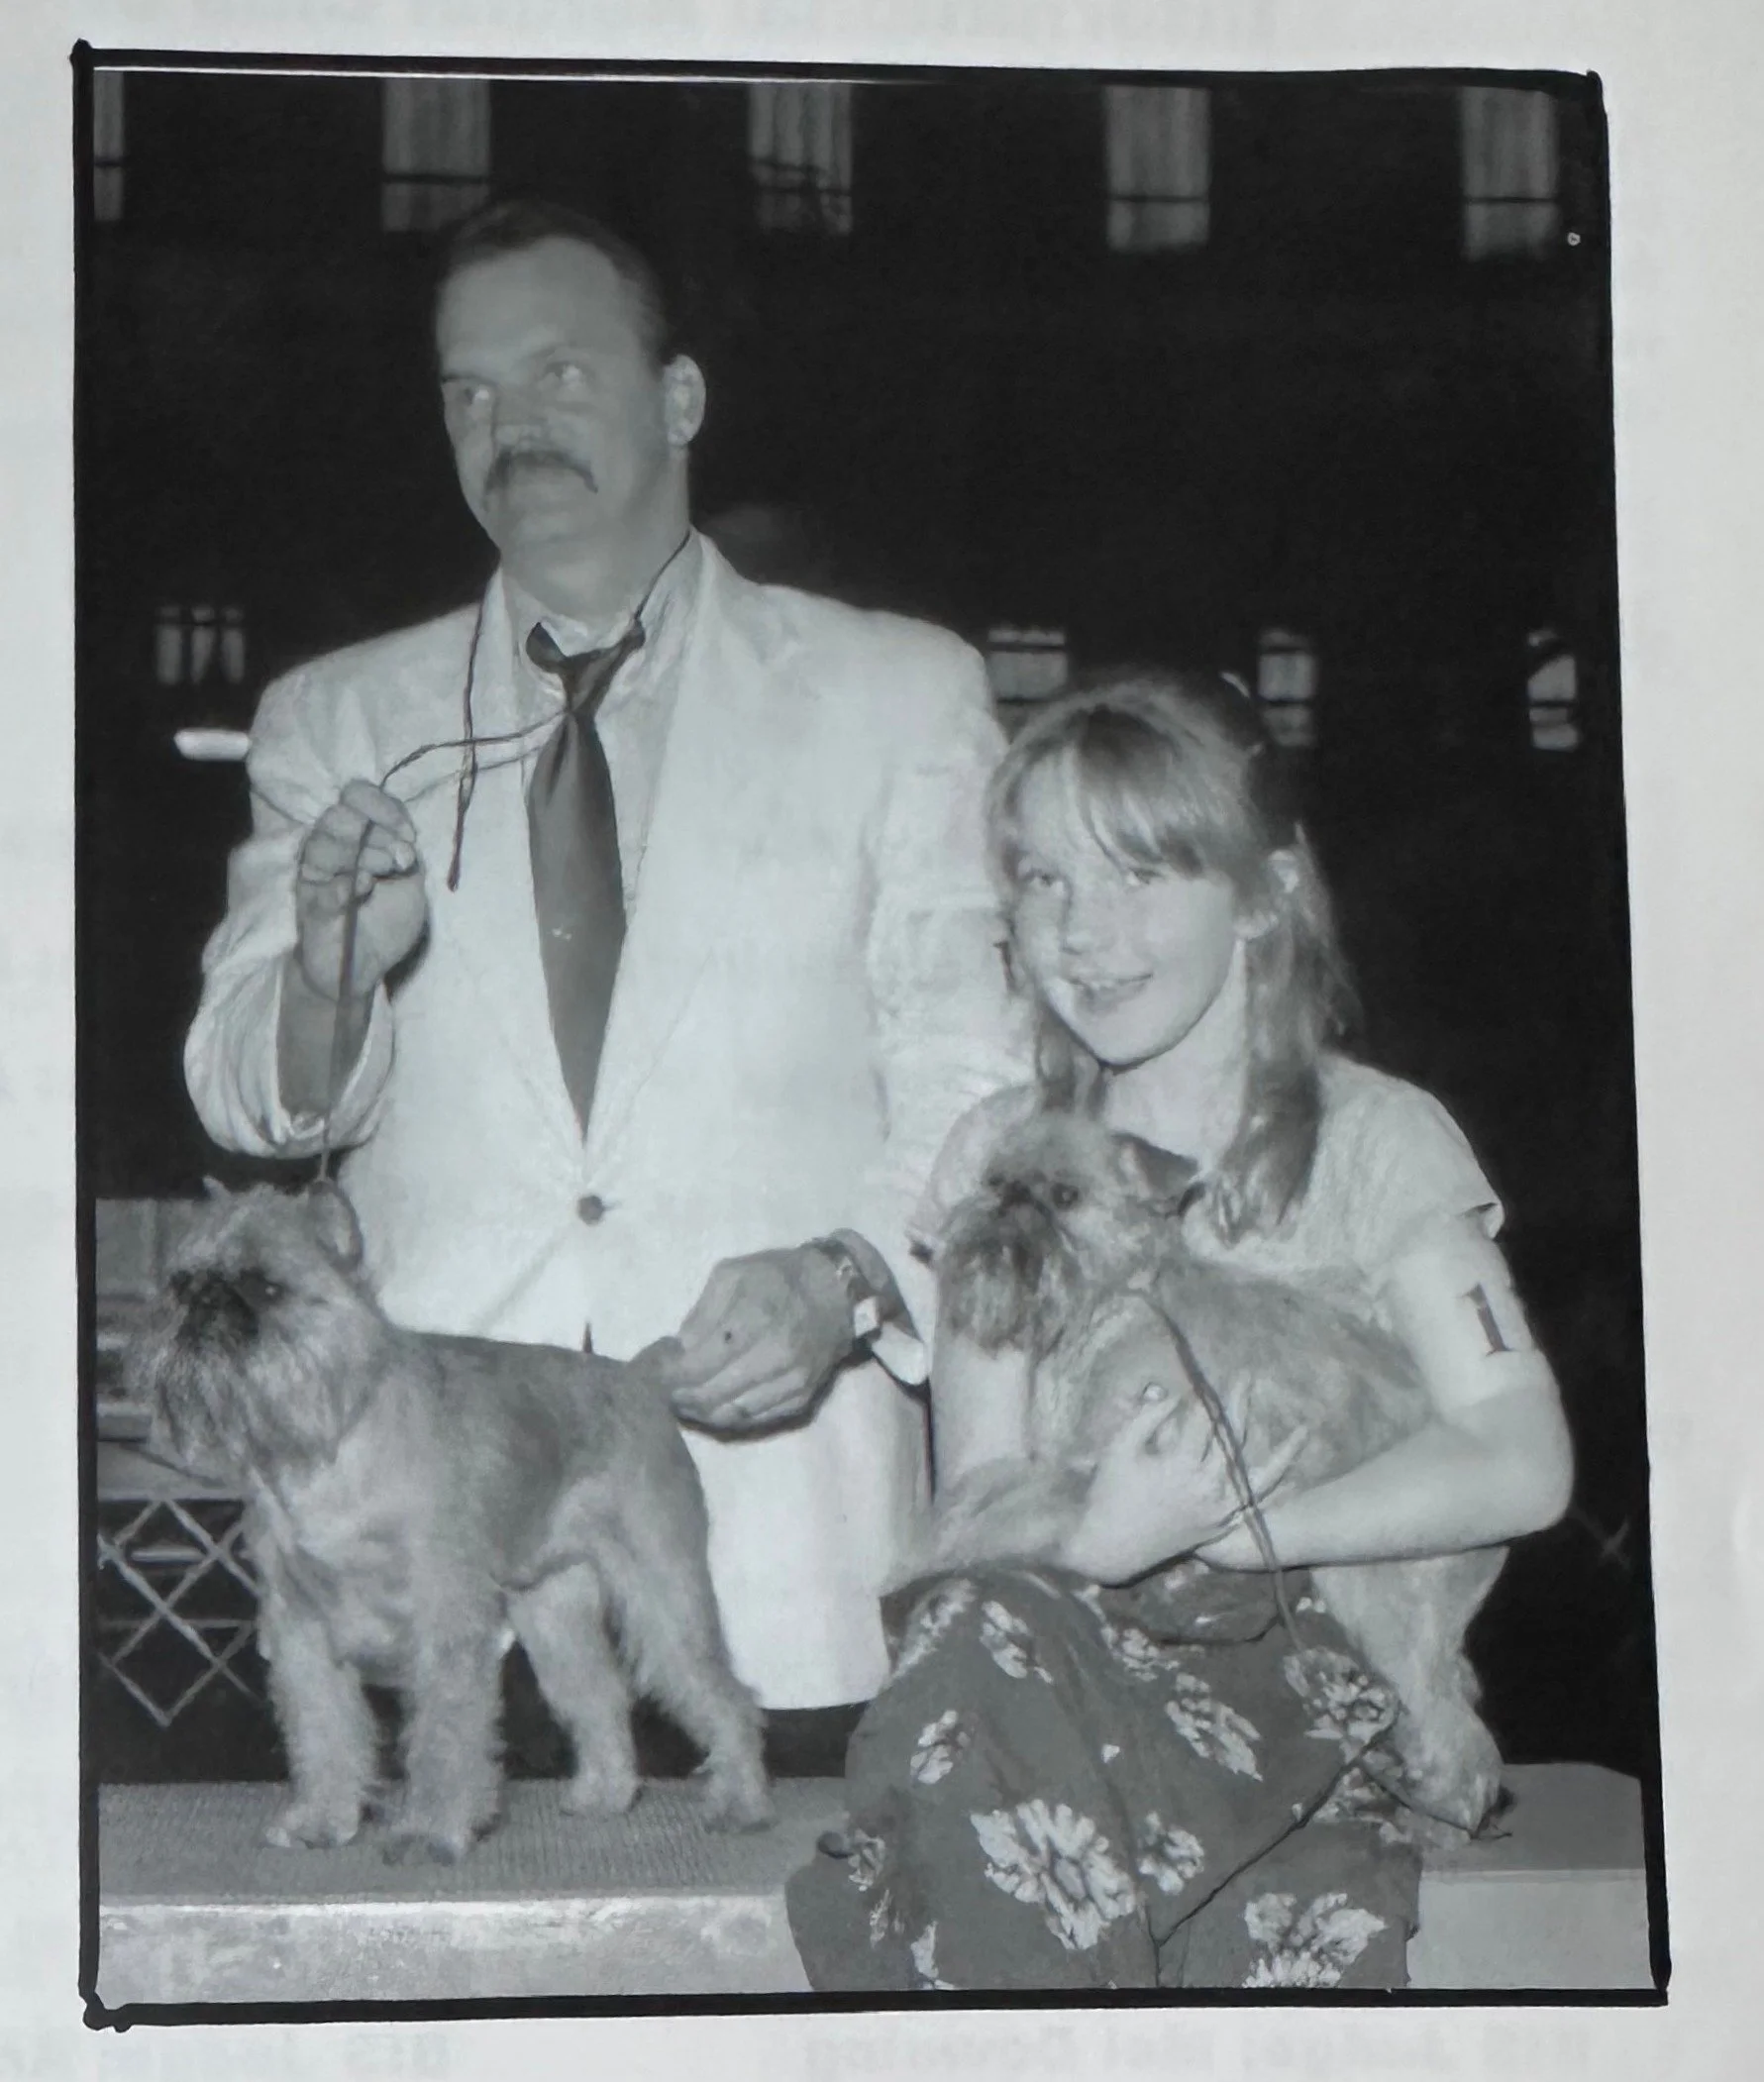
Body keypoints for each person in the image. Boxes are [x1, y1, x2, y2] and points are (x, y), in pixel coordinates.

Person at [183, 199, 1028, 1722]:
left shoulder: (901, 693)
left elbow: (978, 1075)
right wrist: (329, 976)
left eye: (559, 374)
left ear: (680, 397)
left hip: (783, 1564)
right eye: (468, 391)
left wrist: (848, 1280)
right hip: (422, 1570)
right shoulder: (333, 717)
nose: (508, 427)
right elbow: (249, 1093)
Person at [785, 671, 1573, 1989]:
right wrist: (1100, 1539)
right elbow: (971, 1505)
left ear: (1265, 894)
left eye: (1138, 874)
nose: (1082, 931)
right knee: (974, 1633)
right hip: (1055, 1674)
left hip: (1311, 1679)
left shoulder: (1375, 1143)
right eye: (1044, 878)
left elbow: (1521, 1459)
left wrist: (1239, 1527)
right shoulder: (1002, 1156)